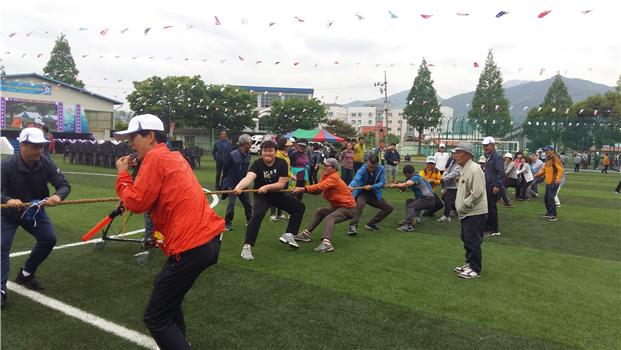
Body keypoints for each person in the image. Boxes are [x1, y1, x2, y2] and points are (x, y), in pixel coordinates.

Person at [113, 114, 224, 349]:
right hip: (208, 241)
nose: (130, 143)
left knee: (155, 317)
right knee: (166, 298)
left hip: (192, 246)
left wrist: (122, 174)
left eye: (133, 137)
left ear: (150, 136)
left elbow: (136, 203)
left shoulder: (154, 159)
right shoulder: (171, 156)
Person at [1, 127, 71, 308]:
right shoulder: (7, 165)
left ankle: (26, 274)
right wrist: (7, 200)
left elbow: (63, 185)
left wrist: (58, 196)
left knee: (49, 239)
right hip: (8, 213)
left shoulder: (46, 163)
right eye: (35, 146)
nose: (39, 150)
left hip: (33, 211)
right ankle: (0, 290)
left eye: (41, 146)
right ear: (22, 145)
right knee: (2, 246)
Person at [234, 140, 306, 260]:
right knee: (257, 214)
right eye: (265, 151)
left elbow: (281, 184)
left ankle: (288, 234)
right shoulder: (257, 164)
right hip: (262, 197)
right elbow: (249, 178)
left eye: (271, 151)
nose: (268, 153)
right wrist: (239, 187)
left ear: (275, 152)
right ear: (261, 152)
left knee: (299, 207)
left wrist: (266, 187)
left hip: (277, 194)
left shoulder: (281, 163)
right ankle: (247, 246)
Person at [292, 158, 356, 252]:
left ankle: (327, 244)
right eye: (324, 165)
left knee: (330, 218)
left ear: (334, 168)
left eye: (326, 166)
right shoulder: (325, 176)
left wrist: (302, 189)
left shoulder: (334, 178)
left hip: (348, 208)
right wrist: (306, 190)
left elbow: (319, 186)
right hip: (337, 206)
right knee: (320, 211)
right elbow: (318, 190)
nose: (324, 167)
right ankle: (305, 235)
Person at [451, 142, 488, 279]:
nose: (456, 156)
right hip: (468, 212)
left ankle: (475, 269)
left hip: (475, 212)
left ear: (467, 154)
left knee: (473, 241)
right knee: (466, 238)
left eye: (459, 152)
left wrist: (465, 205)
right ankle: (470, 263)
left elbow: (477, 192)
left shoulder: (474, 169)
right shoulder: (465, 168)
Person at [347, 154, 393, 235]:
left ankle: (371, 224)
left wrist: (372, 186)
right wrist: (350, 186)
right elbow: (356, 179)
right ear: (367, 162)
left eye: (373, 167)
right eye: (370, 166)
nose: (371, 169)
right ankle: (352, 226)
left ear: (377, 164)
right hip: (362, 193)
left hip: (374, 194)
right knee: (360, 205)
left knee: (388, 208)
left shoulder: (381, 168)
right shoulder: (363, 169)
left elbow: (382, 182)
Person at [388, 165, 435, 232]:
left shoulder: (416, 177)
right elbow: (404, 188)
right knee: (409, 201)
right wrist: (396, 185)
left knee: (411, 206)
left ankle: (408, 225)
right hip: (425, 199)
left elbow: (406, 185)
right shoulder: (412, 178)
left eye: (405, 175)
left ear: (407, 173)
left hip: (427, 199)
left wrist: (395, 185)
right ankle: (411, 218)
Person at [221, 134, 253, 231]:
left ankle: (250, 221)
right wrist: (225, 183)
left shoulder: (248, 154)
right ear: (244, 143)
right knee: (231, 204)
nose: (251, 144)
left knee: (247, 203)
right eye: (249, 143)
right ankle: (228, 223)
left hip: (243, 183)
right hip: (232, 183)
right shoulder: (232, 155)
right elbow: (225, 170)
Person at [534, 145, 564, 222]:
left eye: (547, 150)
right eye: (545, 150)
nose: (546, 152)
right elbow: (544, 169)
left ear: (552, 150)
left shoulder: (555, 158)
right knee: (546, 198)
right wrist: (538, 174)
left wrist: (558, 179)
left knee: (550, 198)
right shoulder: (548, 159)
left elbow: (560, 169)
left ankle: (553, 215)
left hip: (554, 181)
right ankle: (549, 213)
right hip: (549, 181)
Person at [482, 136, 503, 236]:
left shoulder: (496, 157)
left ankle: (491, 229)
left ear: (493, 145)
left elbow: (500, 172)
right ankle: (494, 229)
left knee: (490, 207)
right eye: (484, 146)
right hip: (489, 185)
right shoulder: (490, 156)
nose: (485, 147)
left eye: (487, 145)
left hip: (492, 186)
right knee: (490, 207)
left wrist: (497, 186)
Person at [270, 137, 294, 222]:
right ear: (283, 145)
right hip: (278, 178)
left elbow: (287, 168)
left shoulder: (286, 154)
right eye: (287, 145)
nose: (289, 147)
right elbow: (280, 167)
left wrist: (290, 175)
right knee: (275, 195)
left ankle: (280, 214)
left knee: (282, 196)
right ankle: (273, 214)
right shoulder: (278, 154)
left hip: (285, 179)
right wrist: (290, 175)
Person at [438, 154, 462, 223]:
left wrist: (443, 179)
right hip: (450, 185)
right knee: (444, 198)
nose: (452, 155)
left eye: (454, 153)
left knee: (447, 200)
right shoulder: (452, 162)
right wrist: (442, 177)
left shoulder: (459, 164)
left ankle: (446, 216)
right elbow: (447, 170)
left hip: (455, 186)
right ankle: (455, 210)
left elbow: (454, 173)